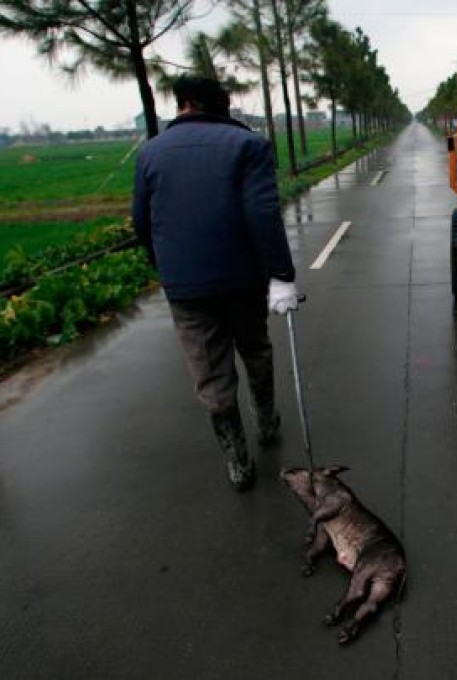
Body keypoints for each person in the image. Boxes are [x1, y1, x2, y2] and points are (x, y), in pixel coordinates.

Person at [132, 75, 299, 492]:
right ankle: (266, 422)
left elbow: (141, 221)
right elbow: (263, 214)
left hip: (185, 288)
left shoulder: (151, 152)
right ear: (220, 107)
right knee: (255, 349)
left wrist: (167, 267)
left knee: (209, 371)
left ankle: (237, 462)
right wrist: (281, 274)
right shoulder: (248, 145)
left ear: (184, 103)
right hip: (242, 279)